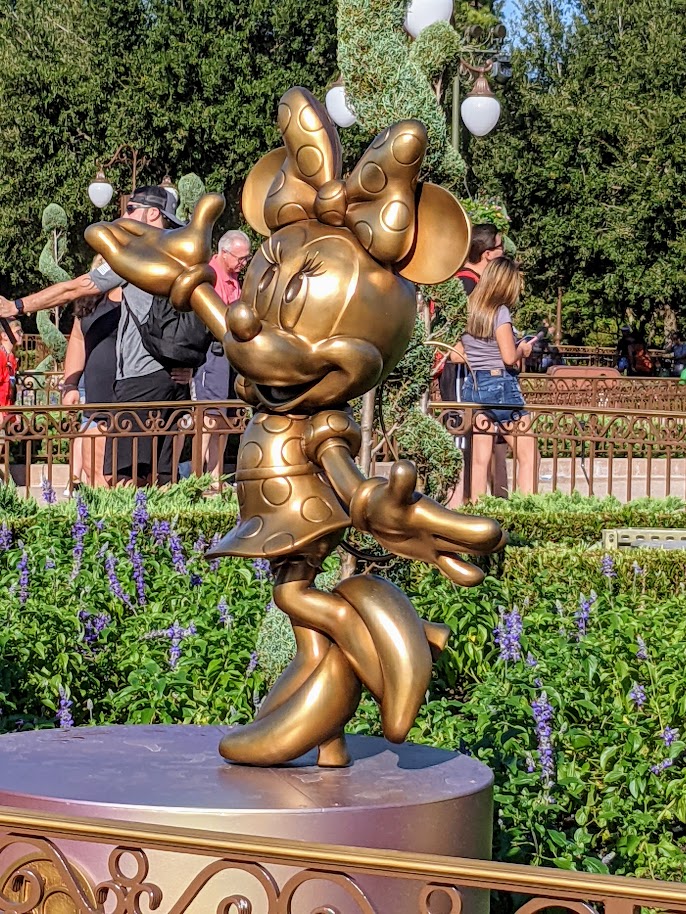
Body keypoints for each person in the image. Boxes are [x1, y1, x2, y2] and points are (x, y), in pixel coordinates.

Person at [0, 186, 195, 484]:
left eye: (131, 209)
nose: (124, 216)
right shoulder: (183, 256)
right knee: (159, 479)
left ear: (153, 213)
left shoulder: (140, 255)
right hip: (163, 385)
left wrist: (17, 305)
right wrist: (190, 364)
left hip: (140, 385)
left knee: (122, 477)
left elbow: (75, 287)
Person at [452, 258, 537, 500]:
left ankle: (478, 509)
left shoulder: (469, 310)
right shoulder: (500, 312)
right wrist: (523, 350)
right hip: (500, 386)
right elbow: (509, 357)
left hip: (474, 385)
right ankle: (527, 510)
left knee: (480, 459)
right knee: (528, 454)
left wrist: (479, 353)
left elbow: (456, 355)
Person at [192, 230, 250, 489]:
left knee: (225, 419)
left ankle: (215, 479)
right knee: (209, 416)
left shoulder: (235, 279)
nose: (243, 263)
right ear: (224, 253)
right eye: (240, 258)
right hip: (212, 354)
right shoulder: (210, 275)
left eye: (246, 258)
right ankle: (196, 480)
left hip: (231, 355)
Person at [61, 255, 121, 487]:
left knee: (115, 475)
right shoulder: (89, 300)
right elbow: (77, 338)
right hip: (95, 399)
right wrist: (70, 384)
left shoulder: (135, 294)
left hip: (126, 398)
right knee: (92, 470)